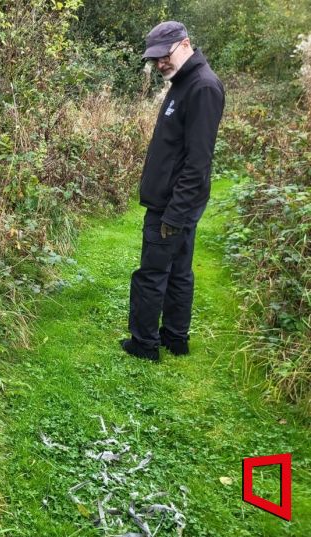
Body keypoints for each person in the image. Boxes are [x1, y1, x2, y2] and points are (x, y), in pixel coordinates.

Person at [120, 21, 225, 361]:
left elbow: (198, 163)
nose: (160, 63)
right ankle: (175, 339)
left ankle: (144, 344)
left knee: (152, 275)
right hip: (173, 203)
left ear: (184, 44)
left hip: (172, 206)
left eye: (164, 55)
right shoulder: (183, 82)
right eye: (155, 59)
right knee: (178, 272)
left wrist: (175, 215)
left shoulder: (203, 87)